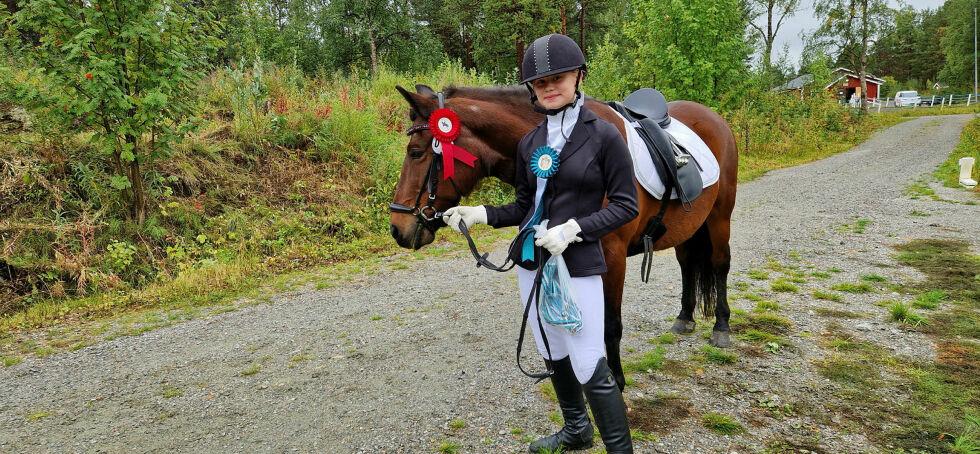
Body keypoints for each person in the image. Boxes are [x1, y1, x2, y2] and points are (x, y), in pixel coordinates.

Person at [443, 33, 638, 454]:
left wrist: (573, 230)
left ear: (578, 77)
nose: (549, 87)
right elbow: (522, 206)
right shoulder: (530, 142)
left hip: (579, 263)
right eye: (540, 82)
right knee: (551, 348)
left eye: (558, 77)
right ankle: (576, 430)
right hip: (532, 263)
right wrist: (481, 214)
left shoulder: (604, 137)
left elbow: (626, 206)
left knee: (588, 360)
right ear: (531, 89)